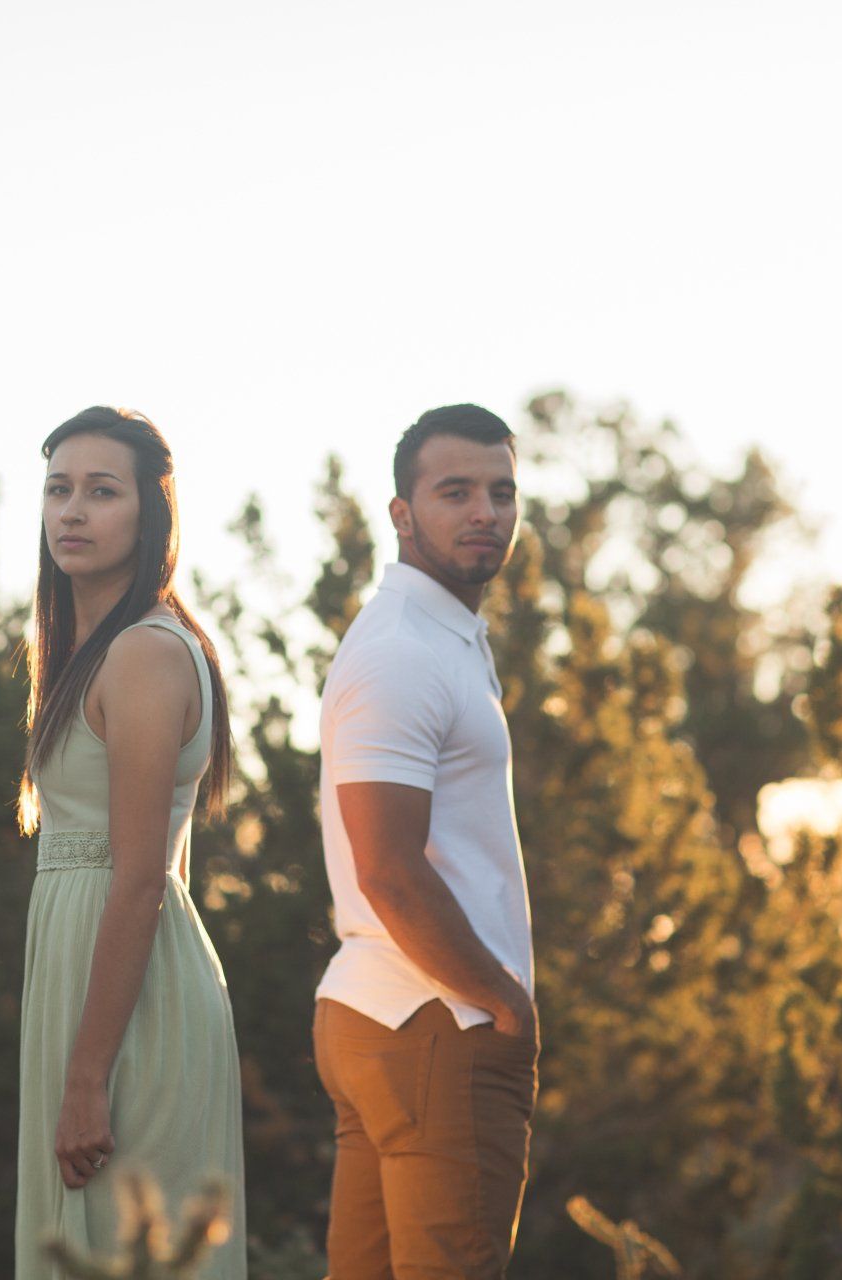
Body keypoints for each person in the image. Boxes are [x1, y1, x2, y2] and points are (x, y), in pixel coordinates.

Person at [13, 406, 246, 1280]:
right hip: (89, 984)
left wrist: (87, 1077)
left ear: (151, 514)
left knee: (133, 1249)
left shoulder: (145, 654)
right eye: (58, 490)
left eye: (101, 492)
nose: (72, 511)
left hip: (131, 1006)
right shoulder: (84, 653)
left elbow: (146, 879)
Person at [313, 404, 538, 1278]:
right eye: (455, 492)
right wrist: (503, 999)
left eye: (501, 491)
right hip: (432, 1019)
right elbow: (389, 871)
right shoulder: (402, 650)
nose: (485, 512)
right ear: (401, 514)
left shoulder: (442, 637)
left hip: (394, 1017)